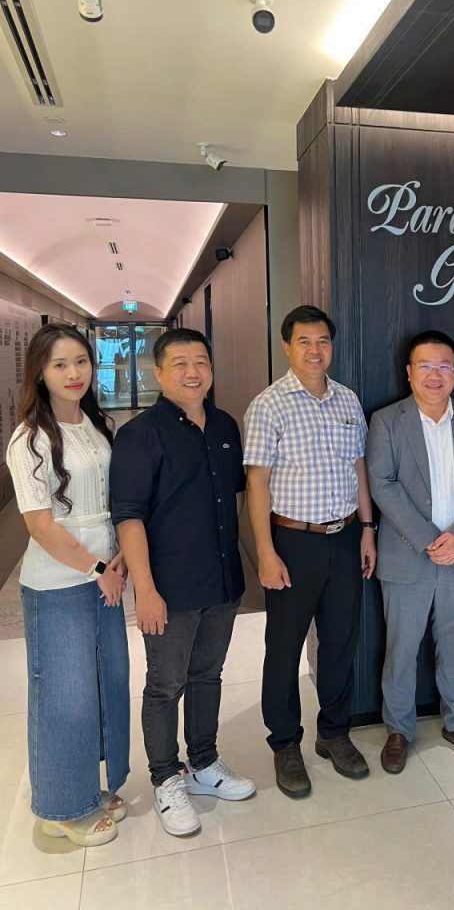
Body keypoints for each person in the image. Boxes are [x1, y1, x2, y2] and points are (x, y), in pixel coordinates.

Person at [110, 327, 254, 838]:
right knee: (165, 684)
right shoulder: (139, 435)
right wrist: (145, 591)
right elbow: (129, 517)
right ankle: (166, 778)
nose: (193, 372)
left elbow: (234, 495)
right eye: (180, 364)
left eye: (201, 362)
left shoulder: (225, 424)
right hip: (169, 587)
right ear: (158, 373)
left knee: (208, 675)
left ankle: (205, 763)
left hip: (222, 578)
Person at [244, 305, 377, 799]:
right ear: (287, 347)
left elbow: (359, 469)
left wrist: (367, 530)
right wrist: (265, 551)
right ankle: (284, 743)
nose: (315, 350)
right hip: (292, 542)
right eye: (304, 341)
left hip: (345, 536)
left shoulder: (347, 400)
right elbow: (257, 484)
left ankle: (334, 733)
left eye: (322, 340)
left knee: (340, 641)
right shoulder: (268, 405)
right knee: (284, 647)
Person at [6, 323, 129, 847]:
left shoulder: (95, 423)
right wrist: (99, 570)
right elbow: (40, 525)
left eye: (81, 361)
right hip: (59, 584)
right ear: (40, 371)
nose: (74, 373)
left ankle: (86, 787)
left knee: (102, 685)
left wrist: (117, 560)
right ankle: (59, 808)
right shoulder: (28, 438)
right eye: (60, 364)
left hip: (106, 573)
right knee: (64, 695)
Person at [366, 330, 454, 773]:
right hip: (409, 556)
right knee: (401, 649)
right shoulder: (387, 420)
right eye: (425, 365)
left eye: (444, 366)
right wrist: (429, 539)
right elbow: (382, 484)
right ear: (409, 372)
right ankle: (398, 729)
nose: (434, 374)